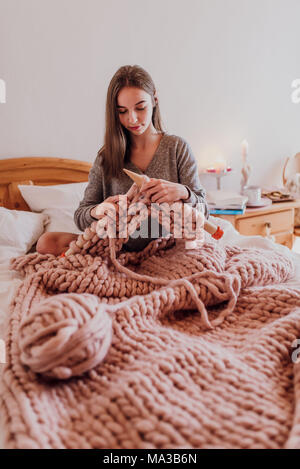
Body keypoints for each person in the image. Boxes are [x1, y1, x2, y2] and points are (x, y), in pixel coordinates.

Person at [36, 65, 208, 256]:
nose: (132, 119)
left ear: (155, 100)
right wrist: (99, 211)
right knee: (46, 242)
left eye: (140, 108)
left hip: (168, 247)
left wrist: (183, 192)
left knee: (199, 250)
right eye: (122, 111)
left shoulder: (177, 148)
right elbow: (81, 216)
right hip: (116, 249)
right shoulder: (106, 158)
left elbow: (204, 213)